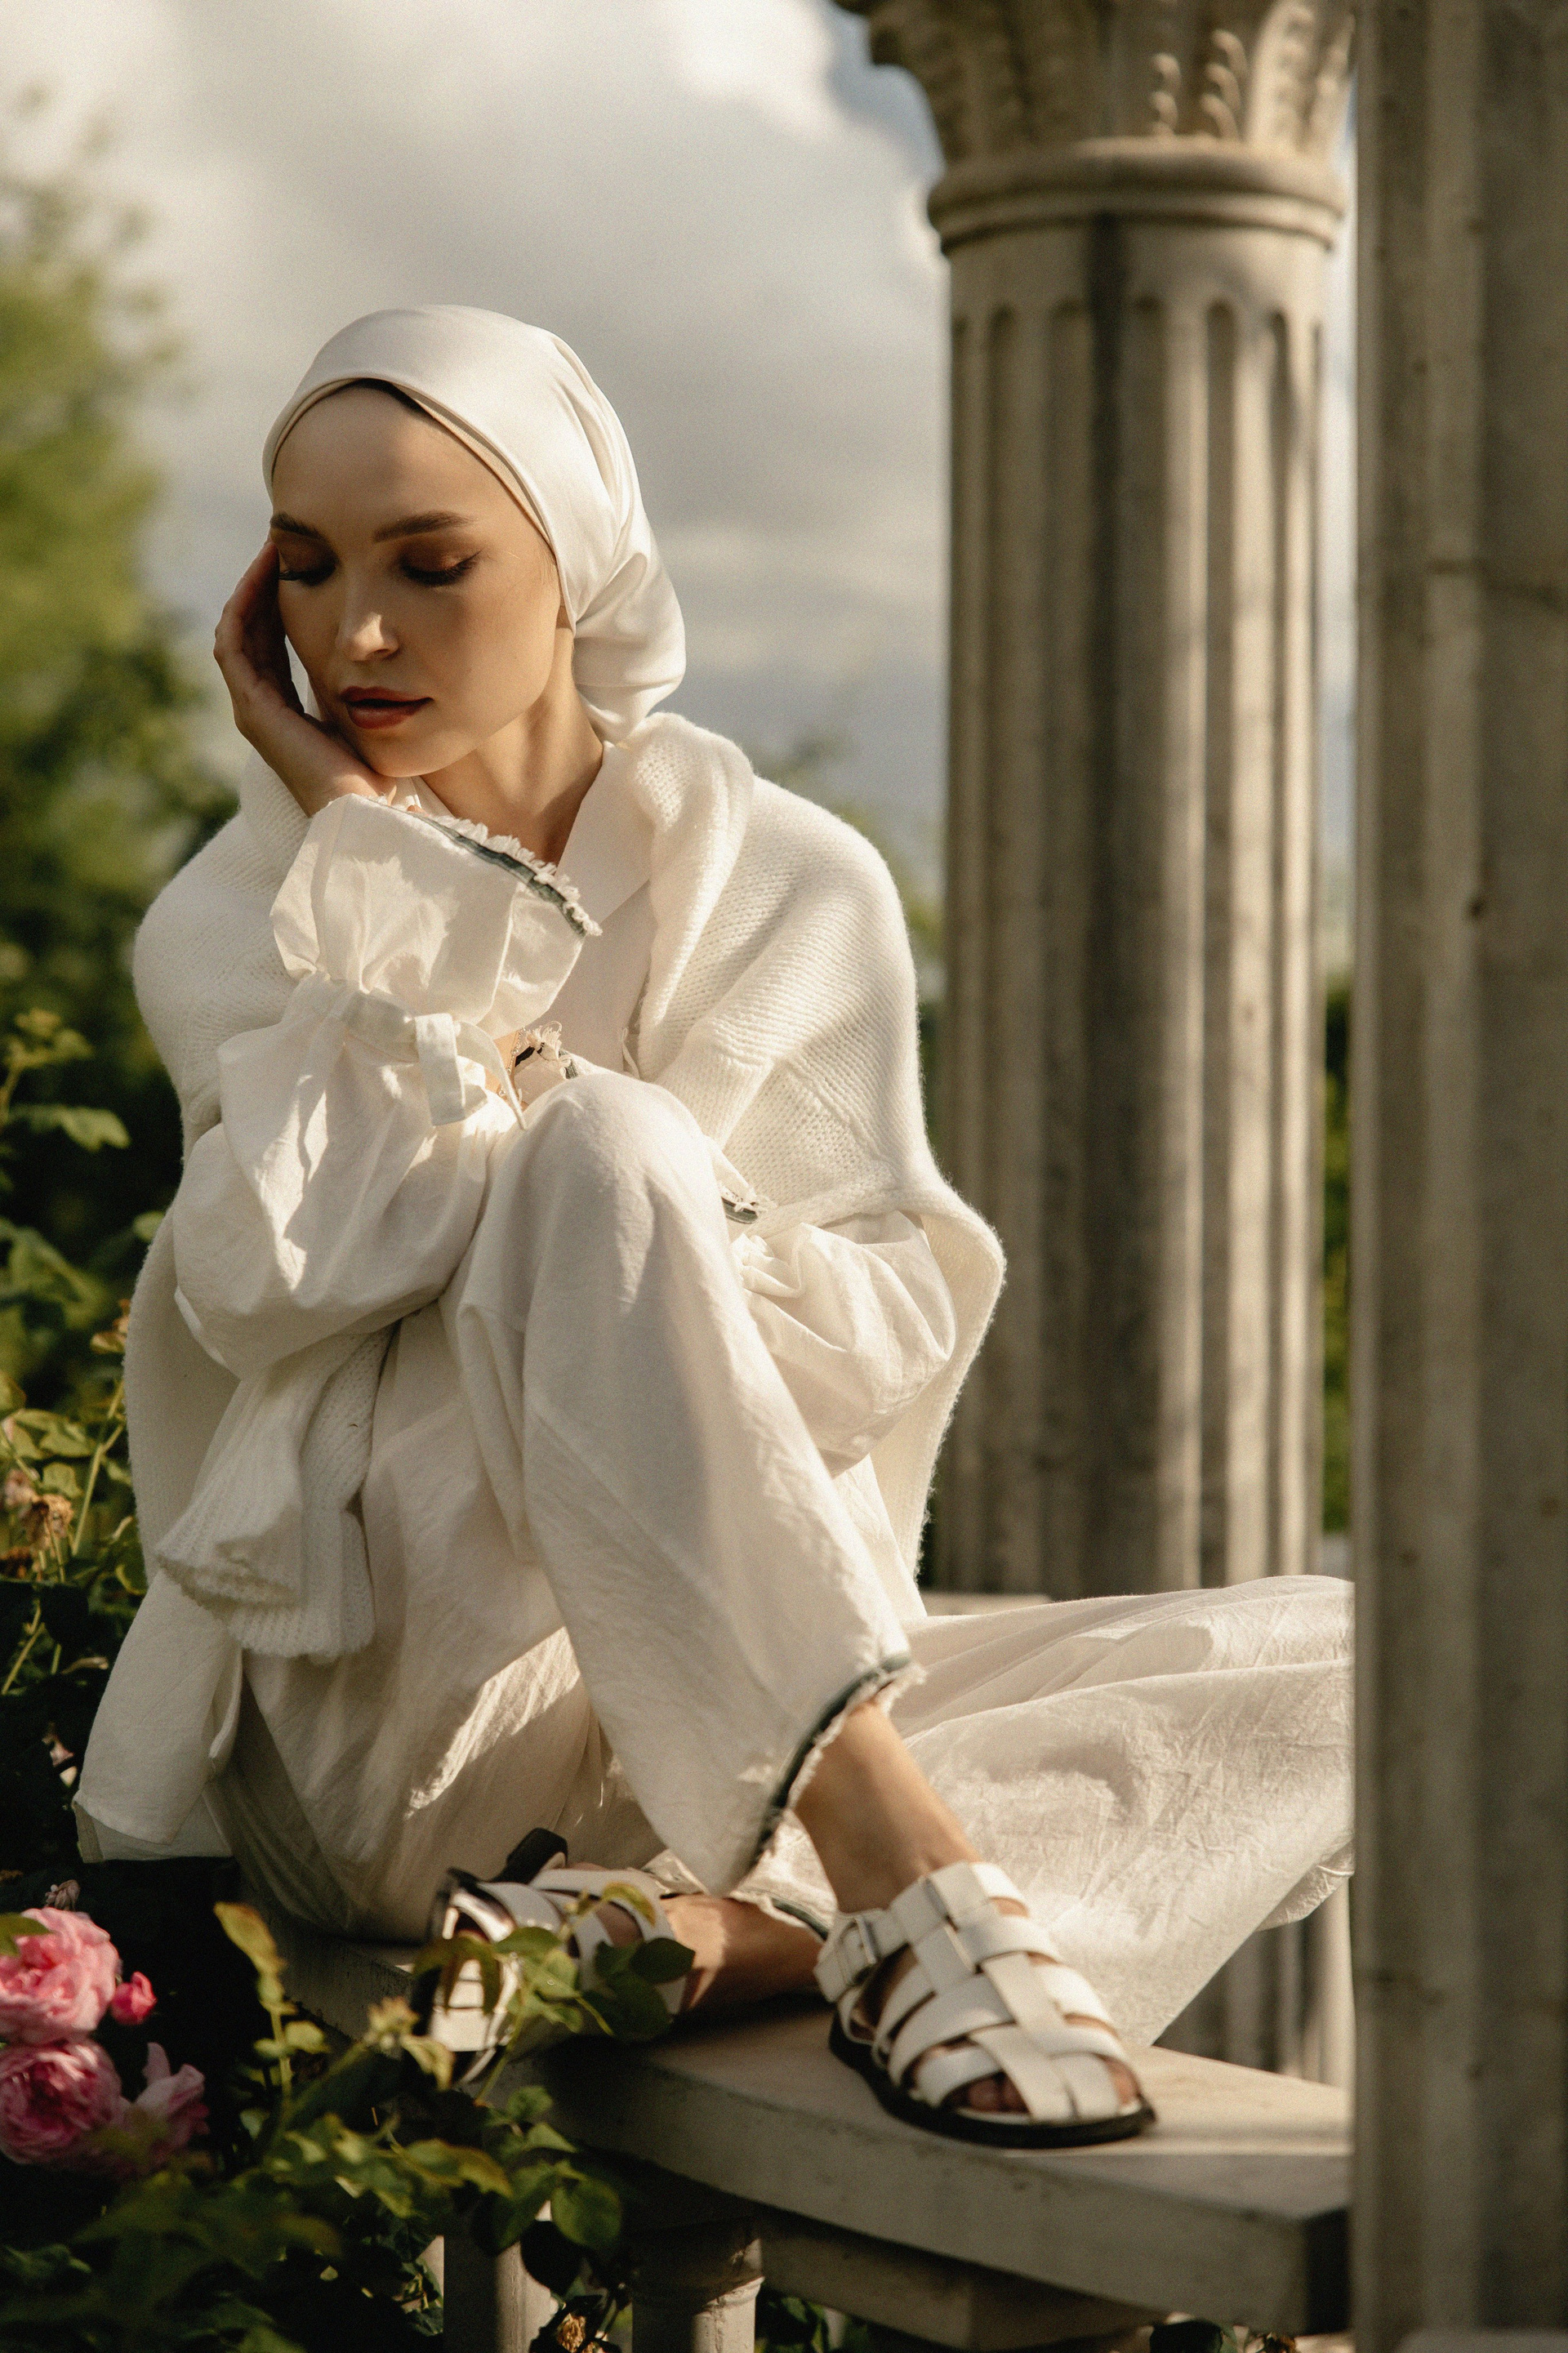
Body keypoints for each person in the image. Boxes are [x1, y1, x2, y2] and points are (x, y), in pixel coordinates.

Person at [78, 308, 1352, 2149]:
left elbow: (876, 1342)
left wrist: (632, 1253)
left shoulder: (792, 885)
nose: (354, 634)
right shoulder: (238, 918)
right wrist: (379, 878)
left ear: (578, 565)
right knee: (599, 1148)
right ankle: (893, 1886)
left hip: (702, 1711)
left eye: (430, 565)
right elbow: (277, 1280)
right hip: (387, 1729)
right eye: (308, 567)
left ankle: (706, 1932)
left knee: (1358, 1662)